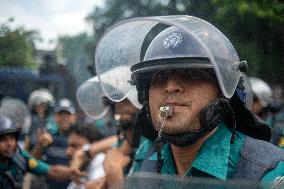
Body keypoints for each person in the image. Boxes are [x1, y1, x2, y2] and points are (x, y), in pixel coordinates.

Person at [93, 15, 284, 188]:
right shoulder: (147, 156)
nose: (170, 86)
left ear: (222, 92)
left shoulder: (269, 172)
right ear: (145, 95)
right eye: (159, 76)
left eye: (191, 74)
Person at [0, 114, 84, 189]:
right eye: (3, 140)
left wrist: (71, 172)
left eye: (12, 138)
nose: (9, 144)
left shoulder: (20, 157)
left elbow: (52, 170)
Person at [31, 98, 77, 189]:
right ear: (55, 117)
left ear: (74, 117)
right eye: (61, 114)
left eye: (67, 114)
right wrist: (40, 145)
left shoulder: (80, 139)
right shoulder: (48, 137)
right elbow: (33, 162)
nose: (64, 118)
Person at [66, 122, 105, 189]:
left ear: (94, 145)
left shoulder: (102, 165)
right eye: (68, 146)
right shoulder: (82, 168)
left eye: (75, 146)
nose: (68, 152)